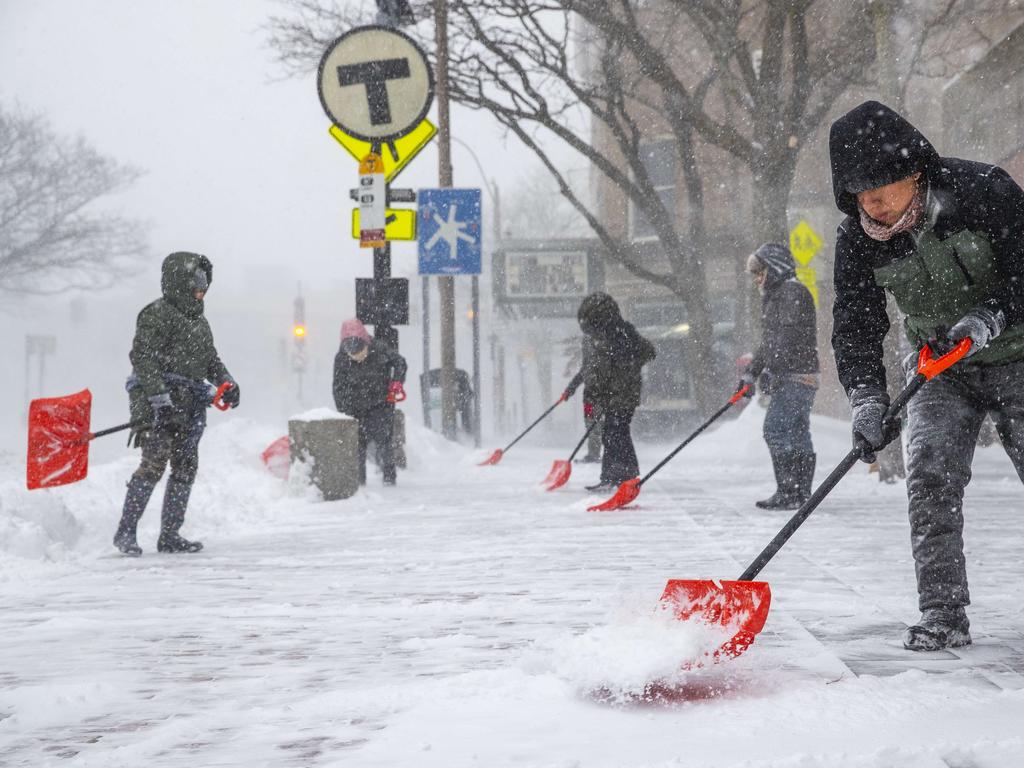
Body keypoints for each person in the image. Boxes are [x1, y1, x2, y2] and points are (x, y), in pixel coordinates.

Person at [829, 100, 1024, 651]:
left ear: (915, 173)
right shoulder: (858, 238)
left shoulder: (984, 191)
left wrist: (992, 314)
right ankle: (943, 613)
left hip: (1017, 352)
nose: (873, 205)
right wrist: (868, 399)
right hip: (942, 368)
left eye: (882, 191)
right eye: (860, 195)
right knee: (931, 480)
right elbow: (857, 326)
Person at [113, 252, 240, 556]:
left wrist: (228, 382)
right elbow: (144, 360)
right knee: (153, 465)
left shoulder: (200, 322)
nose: (203, 288)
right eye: (197, 282)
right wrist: (161, 402)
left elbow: (211, 360)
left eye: (206, 283)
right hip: (158, 404)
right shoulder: (155, 314)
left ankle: (170, 534)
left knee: (186, 466)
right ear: (180, 283)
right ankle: (125, 532)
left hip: (191, 405)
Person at [739, 243, 819, 510]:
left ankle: (790, 491)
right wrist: (751, 373)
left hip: (794, 375)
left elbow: (787, 337)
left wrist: (774, 369)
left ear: (775, 269)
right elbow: (770, 342)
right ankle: (800, 493)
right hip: (798, 372)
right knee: (797, 431)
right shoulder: (780, 294)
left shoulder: (790, 293)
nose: (757, 279)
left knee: (775, 429)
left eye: (760, 272)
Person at [563, 292, 655, 492]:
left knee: (617, 431)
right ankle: (611, 477)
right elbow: (595, 368)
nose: (592, 335)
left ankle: (627, 477)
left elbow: (648, 352)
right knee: (610, 433)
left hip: (624, 394)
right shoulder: (605, 337)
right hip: (612, 394)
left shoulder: (622, 333)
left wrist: (627, 365)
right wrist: (579, 386)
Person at [333, 318, 407, 486]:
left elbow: (400, 362)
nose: (358, 357)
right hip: (355, 409)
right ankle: (359, 484)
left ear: (366, 343)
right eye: (353, 355)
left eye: (361, 351)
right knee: (357, 448)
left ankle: (389, 479)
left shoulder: (380, 348)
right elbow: (338, 388)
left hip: (381, 405)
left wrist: (397, 381)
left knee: (385, 443)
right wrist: (345, 412)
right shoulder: (341, 359)